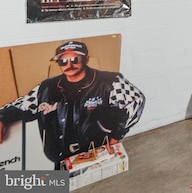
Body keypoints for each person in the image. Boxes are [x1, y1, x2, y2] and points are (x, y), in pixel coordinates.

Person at [0, 41, 145, 169]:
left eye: (75, 59)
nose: (69, 65)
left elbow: (136, 100)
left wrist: (116, 136)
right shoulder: (47, 87)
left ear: (86, 59)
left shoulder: (110, 81)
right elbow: (24, 105)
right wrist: (1, 117)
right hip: (60, 159)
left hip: (97, 155)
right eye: (63, 61)